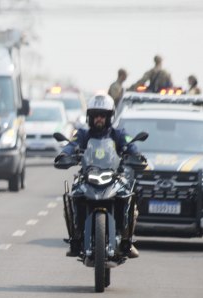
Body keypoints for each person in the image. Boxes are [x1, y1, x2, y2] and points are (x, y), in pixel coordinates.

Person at [54, 93, 141, 258]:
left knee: (129, 199)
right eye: (95, 116)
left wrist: (136, 155)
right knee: (73, 195)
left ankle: (126, 240)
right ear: (90, 117)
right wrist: (65, 155)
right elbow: (72, 145)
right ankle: (76, 237)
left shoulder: (118, 134)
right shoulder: (82, 134)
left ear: (109, 117)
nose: (99, 119)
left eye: (103, 115)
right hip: (88, 175)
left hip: (114, 175)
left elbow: (131, 145)